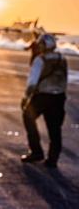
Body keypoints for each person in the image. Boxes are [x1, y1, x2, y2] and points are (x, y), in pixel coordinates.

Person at [21, 34, 68, 168]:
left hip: (42, 97)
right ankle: (53, 159)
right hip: (58, 97)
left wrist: (26, 97)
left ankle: (36, 151)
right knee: (55, 128)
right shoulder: (62, 59)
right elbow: (65, 79)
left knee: (28, 118)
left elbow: (32, 83)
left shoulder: (40, 60)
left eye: (40, 44)